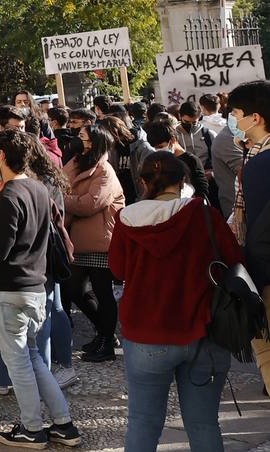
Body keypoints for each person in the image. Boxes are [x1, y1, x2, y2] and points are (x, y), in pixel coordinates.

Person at [109, 150, 239, 452]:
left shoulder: (127, 220)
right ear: (184, 180)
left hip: (146, 334)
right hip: (204, 329)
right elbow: (233, 259)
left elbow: (118, 269)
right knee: (204, 423)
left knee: (142, 422)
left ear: (142, 182)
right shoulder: (204, 214)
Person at [0, 130, 81, 448]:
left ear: (0, 156)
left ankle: (31, 427)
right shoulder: (38, 188)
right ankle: (63, 424)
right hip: (37, 287)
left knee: (19, 363)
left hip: (9, 289)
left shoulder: (10, 195)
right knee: (33, 358)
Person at [62, 123, 125, 364]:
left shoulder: (105, 171)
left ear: (95, 143)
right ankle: (103, 331)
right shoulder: (77, 162)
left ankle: (107, 340)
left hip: (100, 241)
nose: (80, 141)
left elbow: (90, 204)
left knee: (103, 292)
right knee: (74, 290)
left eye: (84, 138)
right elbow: (61, 184)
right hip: (77, 239)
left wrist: (64, 199)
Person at [228, 79, 270, 391]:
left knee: (265, 349)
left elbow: (253, 224)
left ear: (255, 117)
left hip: (264, 269)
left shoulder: (258, 165)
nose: (233, 120)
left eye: (236, 113)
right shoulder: (251, 157)